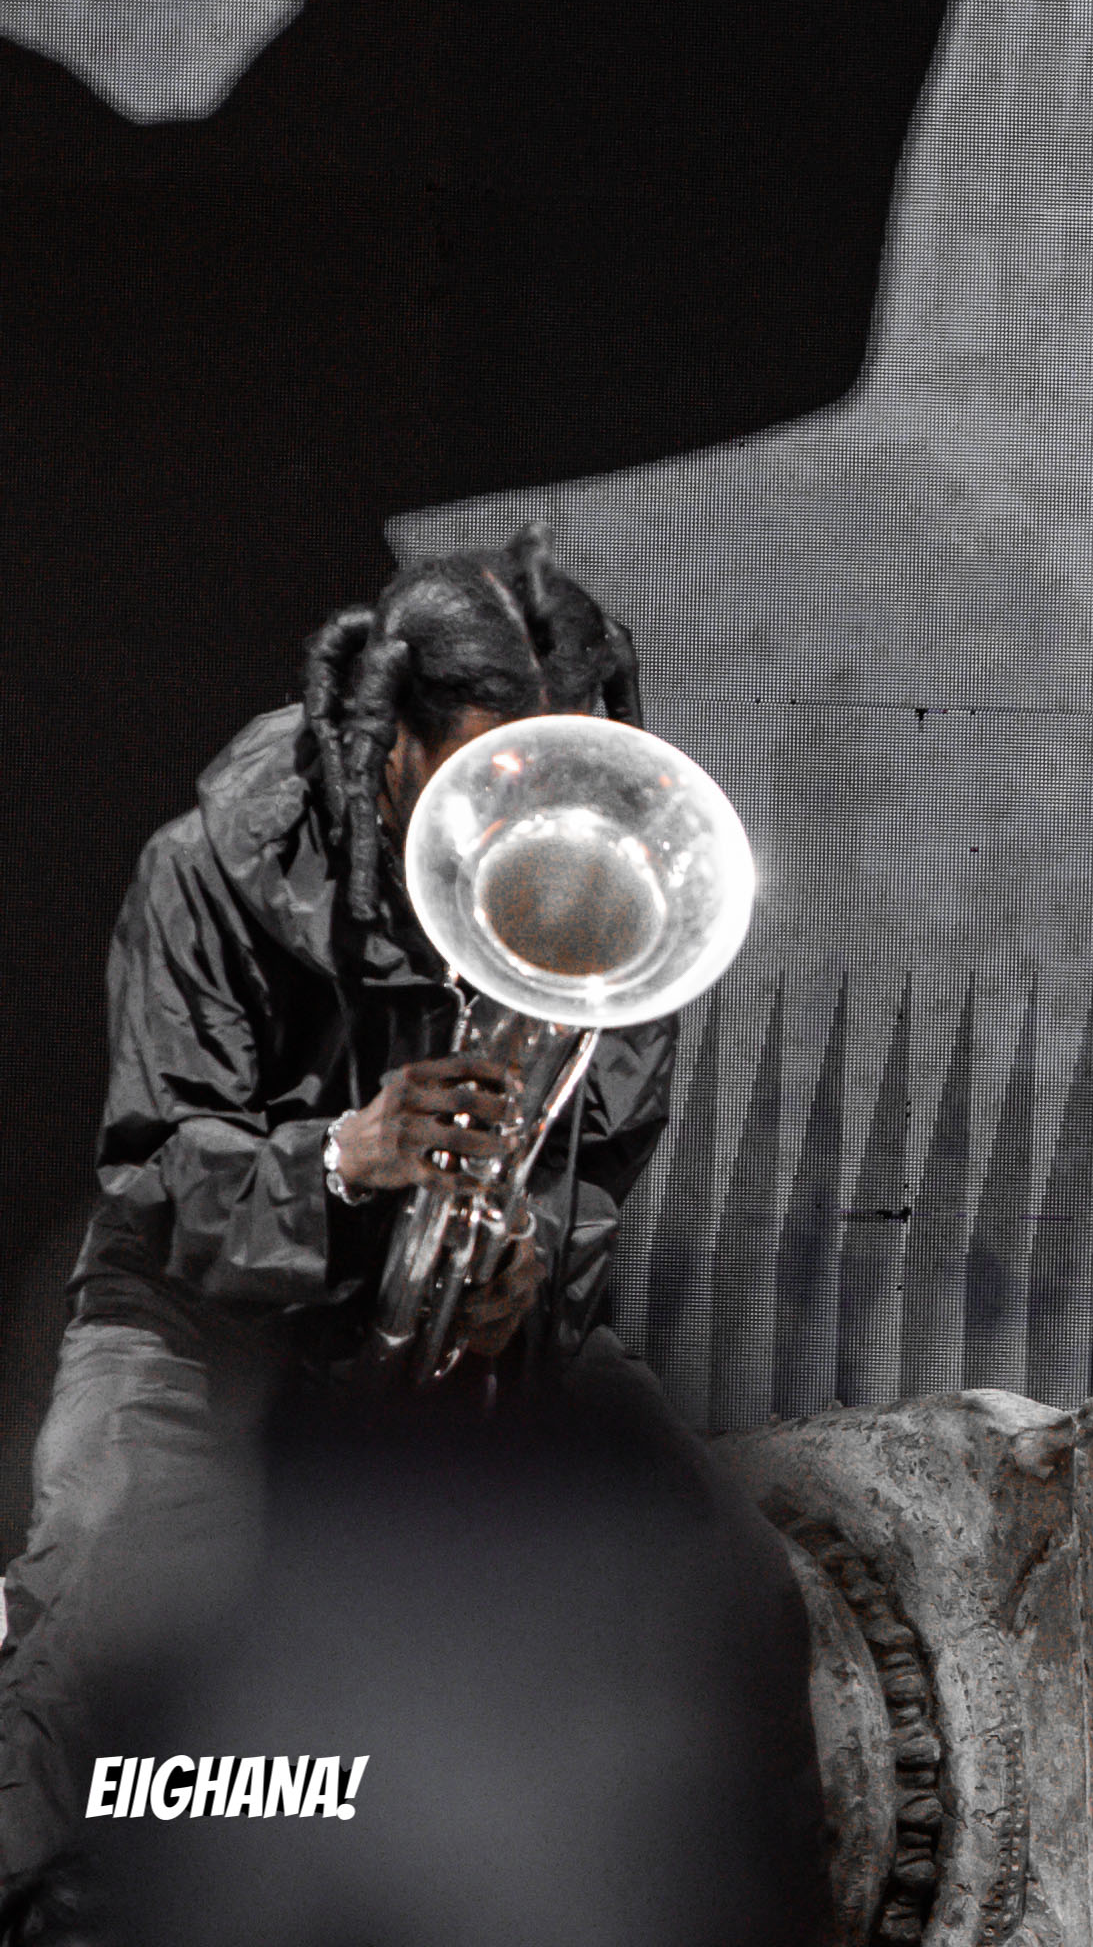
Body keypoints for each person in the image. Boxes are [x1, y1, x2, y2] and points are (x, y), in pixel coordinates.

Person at [0, 527, 764, 1920]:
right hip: (202, 1313)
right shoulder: (208, 866)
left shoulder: (625, 900)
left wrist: (525, 1274)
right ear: (389, 743)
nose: (514, 833)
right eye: (478, 781)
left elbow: (587, 1182)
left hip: (446, 1331)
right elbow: (154, 1176)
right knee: (114, 1584)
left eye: (552, 778)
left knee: (723, 1578)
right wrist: (342, 1158)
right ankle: (88, 1905)